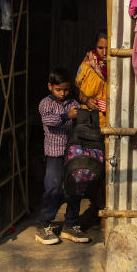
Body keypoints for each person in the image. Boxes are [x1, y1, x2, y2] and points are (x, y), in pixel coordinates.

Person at [36, 67, 90, 245]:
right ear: (50, 87)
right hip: (54, 153)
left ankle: (70, 224)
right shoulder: (45, 103)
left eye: (66, 89)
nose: (62, 93)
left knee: (75, 188)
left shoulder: (73, 102)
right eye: (58, 89)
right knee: (53, 188)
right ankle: (44, 225)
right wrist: (68, 115)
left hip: (73, 154)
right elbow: (49, 121)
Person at [75, 29, 108, 126]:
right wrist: (86, 100)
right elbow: (75, 88)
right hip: (88, 120)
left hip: (110, 122)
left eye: (107, 48)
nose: (104, 52)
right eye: (100, 48)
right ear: (95, 46)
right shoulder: (86, 64)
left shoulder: (117, 66)